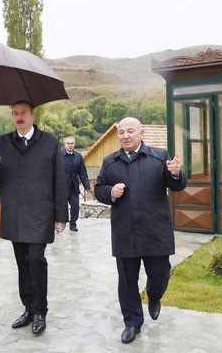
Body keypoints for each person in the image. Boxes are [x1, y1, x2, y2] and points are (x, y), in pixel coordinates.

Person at [94, 117, 186, 344]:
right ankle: (132, 322)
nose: (125, 136)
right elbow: (99, 190)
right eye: (121, 132)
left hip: (155, 230)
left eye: (130, 131)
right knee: (127, 281)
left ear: (141, 133)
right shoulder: (110, 162)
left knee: (160, 274)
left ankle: (154, 295)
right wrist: (110, 192)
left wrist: (176, 173)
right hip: (125, 231)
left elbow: (176, 185)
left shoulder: (159, 157)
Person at [0, 100, 67, 336]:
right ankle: (28, 308)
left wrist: (61, 215)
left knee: (36, 259)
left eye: (23, 113)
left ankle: (40, 311)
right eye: (15, 113)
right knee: (22, 263)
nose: (19, 117)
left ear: (33, 115)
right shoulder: (3, 143)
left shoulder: (49, 142)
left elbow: (59, 179)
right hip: (15, 214)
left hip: (40, 213)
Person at [61, 135, 91, 232]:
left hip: (74, 186)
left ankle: (73, 224)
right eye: (68, 143)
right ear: (64, 144)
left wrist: (87, 186)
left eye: (72, 143)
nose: (70, 145)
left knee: (75, 206)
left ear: (74, 144)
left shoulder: (78, 156)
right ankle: (59, 223)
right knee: (61, 207)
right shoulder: (58, 155)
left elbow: (82, 172)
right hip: (61, 187)